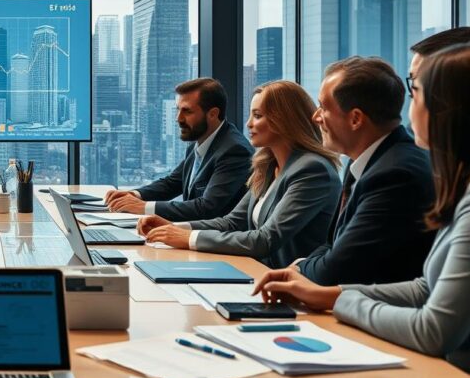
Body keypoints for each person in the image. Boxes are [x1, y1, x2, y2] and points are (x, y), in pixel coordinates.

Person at [255, 44, 470, 373]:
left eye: (416, 92)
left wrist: (338, 298)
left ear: (446, 110)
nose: (409, 109)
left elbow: (433, 330)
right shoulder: (449, 183)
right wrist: (328, 295)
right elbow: (426, 286)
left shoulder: (400, 171)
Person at [137, 80, 341, 269]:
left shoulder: (312, 170)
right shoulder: (268, 165)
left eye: (258, 116)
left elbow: (265, 239)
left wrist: (187, 238)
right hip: (256, 273)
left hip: (289, 286)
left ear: (285, 120)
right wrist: (173, 227)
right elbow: (232, 222)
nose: (249, 124)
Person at [296, 57, 434, 285]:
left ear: (356, 119)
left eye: (323, 107)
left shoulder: (396, 174)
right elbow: (331, 245)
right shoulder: (363, 161)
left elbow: (333, 272)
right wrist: (308, 265)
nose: (315, 117)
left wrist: (300, 267)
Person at [105, 78, 253, 221]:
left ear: (213, 114)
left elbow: (207, 208)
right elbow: (173, 183)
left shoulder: (234, 151)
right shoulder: (201, 142)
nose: (178, 118)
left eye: (187, 111)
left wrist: (144, 207)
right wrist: (133, 195)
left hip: (214, 242)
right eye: (178, 110)